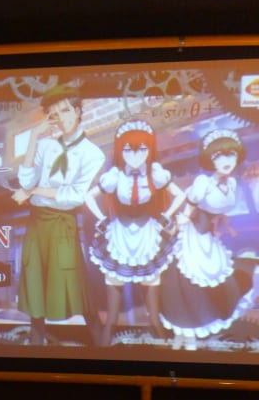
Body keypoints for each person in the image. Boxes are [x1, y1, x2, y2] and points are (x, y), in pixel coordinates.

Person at [12, 84, 105, 344]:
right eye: (54, 114)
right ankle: (36, 347)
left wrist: (32, 191)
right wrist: (34, 139)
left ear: (78, 111)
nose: (61, 119)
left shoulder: (92, 154)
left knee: (76, 284)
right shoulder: (45, 146)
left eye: (65, 111)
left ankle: (103, 347)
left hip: (62, 222)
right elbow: (26, 179)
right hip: (37, 222)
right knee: (35, 285)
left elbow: (74, 195)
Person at [85, 119, 184, 345]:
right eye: (128, 150)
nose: (135, 156)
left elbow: (181, 195)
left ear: (150, 149)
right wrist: (101, 218)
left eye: (142, 149)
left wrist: (167, 215)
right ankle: (103, 353)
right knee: (112, 315)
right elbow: (88, 196)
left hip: (148, 235)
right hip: (119, 236)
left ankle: (161, 344)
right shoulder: (115, 175)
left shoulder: (155, 173)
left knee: (153, 311)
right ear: (120, 151)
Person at [159, 128, 255, 349]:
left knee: (217, 274)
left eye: (231, 154)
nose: (226, 161)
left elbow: (220, 210)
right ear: (209, 159)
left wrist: (225, 226)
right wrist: (181, 224)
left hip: (210, 235)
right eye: (218, 156)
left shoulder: (232, 183)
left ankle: (206, 324)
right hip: (194, 234)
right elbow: (190, 206)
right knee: (193, 276)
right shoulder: (203, 182)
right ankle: (187, 330)